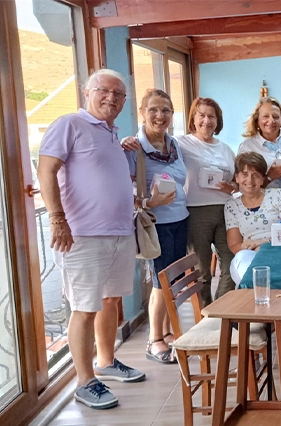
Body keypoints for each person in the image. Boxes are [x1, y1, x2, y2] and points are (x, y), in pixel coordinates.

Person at [38, 69, 144, 410]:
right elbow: (46, 170)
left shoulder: (112, 134)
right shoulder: (69, 124)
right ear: (87, 92)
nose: (111, 98)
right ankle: (84, 381)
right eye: (104, 91)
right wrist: (57, 218)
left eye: (119, 94)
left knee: (112, 301)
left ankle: (107, 361)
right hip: (82, 235)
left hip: (119, 232)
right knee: (84, 309)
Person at [123, 89, 189, 366]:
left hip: (179, 219)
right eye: (153, 110)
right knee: (161, 282)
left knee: (172, 279)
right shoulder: (133, 148)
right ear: (142, 112)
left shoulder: (173, 145)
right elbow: (123, 192)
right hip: (155, 223)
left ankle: (166, 332)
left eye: (165, 110)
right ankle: (154, 340)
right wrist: (151, 200)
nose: (159, 116)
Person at [177, 97, 238, 305]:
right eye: (201, 115)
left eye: (211, 116)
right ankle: (204, 316)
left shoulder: (226, 149)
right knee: (201, 270)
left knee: (232, 263)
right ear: (193, 118)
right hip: (196, 211)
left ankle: (221, 312)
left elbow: (237, 181)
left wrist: (233, 188)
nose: (206, 120)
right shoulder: (181, 143)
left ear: (218, 121)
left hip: (226, 210)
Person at [225, 152, 281, 284]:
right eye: (244, 174)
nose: (249, 180)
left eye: (256, 175)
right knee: (243, 260)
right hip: (249, 254)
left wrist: (262, 244)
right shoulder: (231, 206)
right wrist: (255, 249)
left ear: (262, 179)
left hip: (280, 250)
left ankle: (260, 296)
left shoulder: (278, 195)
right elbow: (234, 245)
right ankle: (259, 293)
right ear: (236, 178)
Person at [238, 97, 281, 219]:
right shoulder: (248, 147)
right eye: (265, 116)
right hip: (267, 214)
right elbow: (243, 187)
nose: (271, 121)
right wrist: (270, 176)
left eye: (276, 116)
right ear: (257, 120)